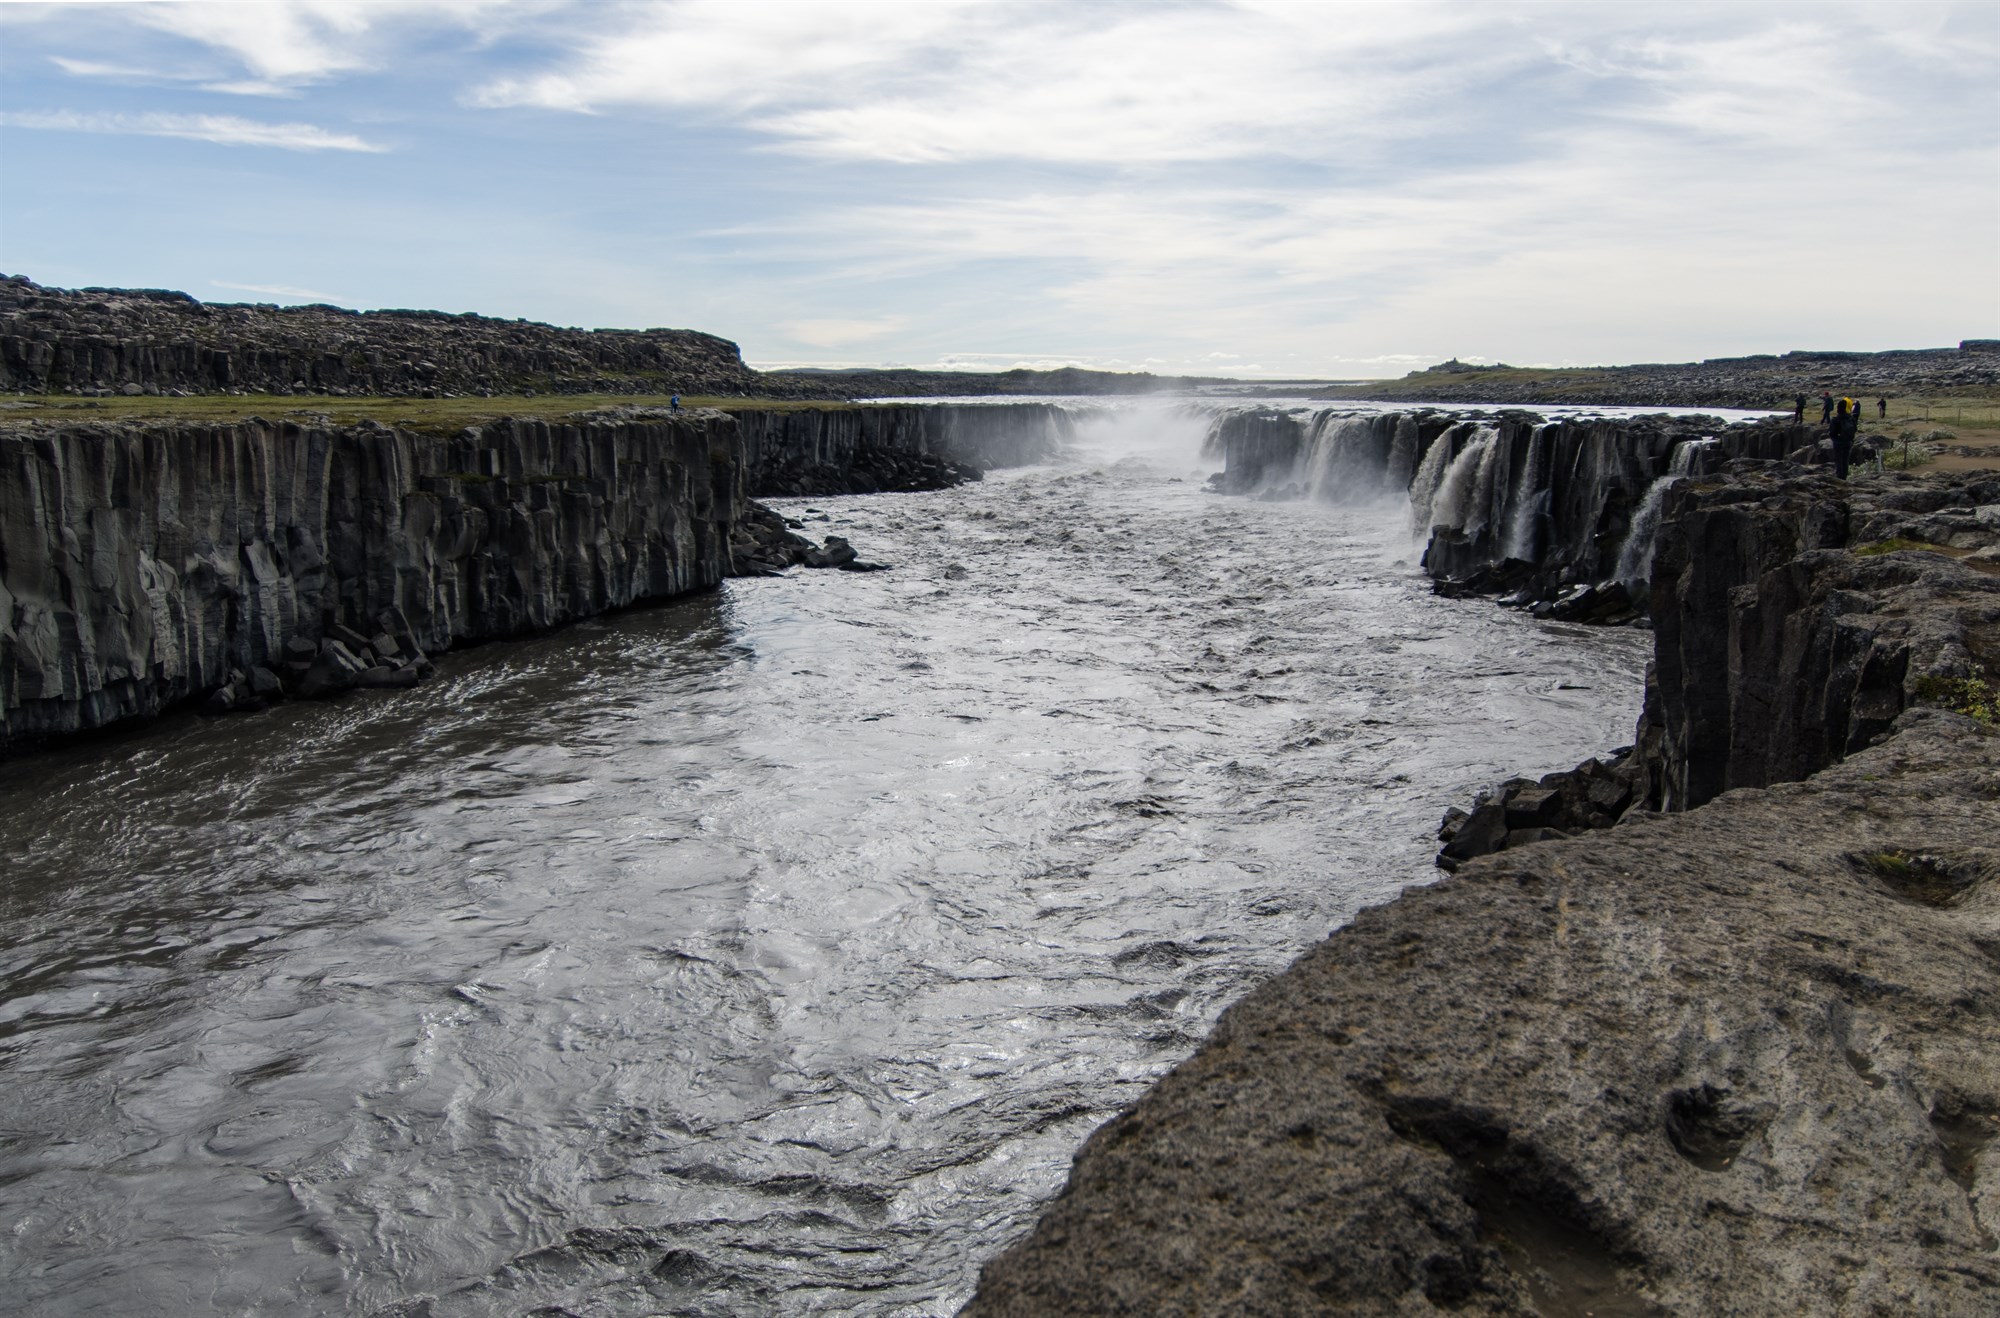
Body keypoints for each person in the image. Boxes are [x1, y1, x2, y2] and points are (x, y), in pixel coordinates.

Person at [1831, 397, 1855, 479]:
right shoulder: (1851, 419)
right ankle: (1844, 476)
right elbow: (1855, 429)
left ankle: (1839, 476)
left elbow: (1832, 433)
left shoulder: (1835, 420)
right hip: (1848, 441)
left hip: (1838, 442)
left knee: (1838, 460)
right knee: (1845, 460)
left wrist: (1835, 439)